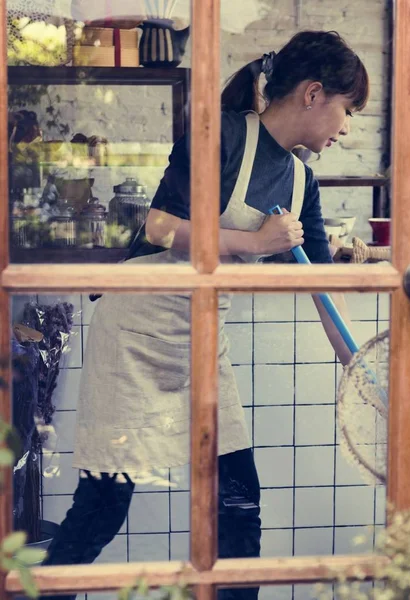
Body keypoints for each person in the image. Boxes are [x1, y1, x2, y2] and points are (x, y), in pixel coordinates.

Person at [40, 30, 370, 600]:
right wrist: (256, 240)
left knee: (239, 507)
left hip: (200, 344)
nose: (347, 130)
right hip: (137, 335)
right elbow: (159, 228)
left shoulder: (300, 181)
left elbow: (323, 286)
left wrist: (359, 365)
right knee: (103, 503)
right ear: (314, 94)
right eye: (348, 111)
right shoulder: (222, 136)